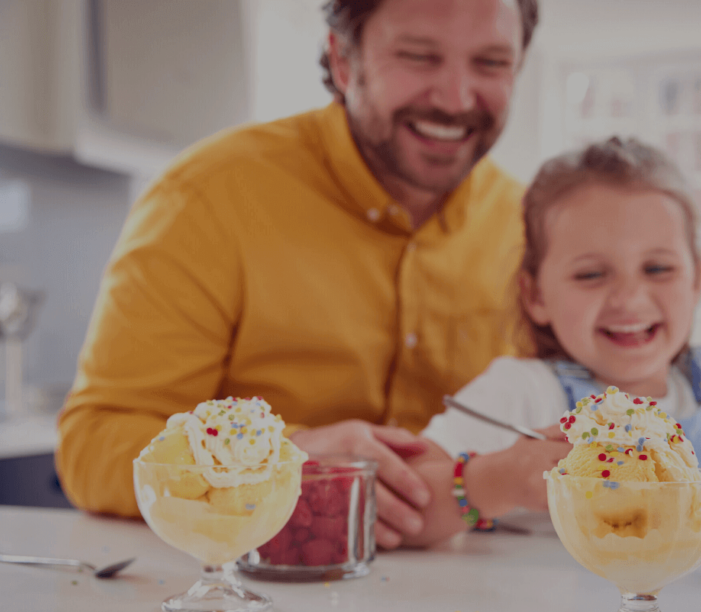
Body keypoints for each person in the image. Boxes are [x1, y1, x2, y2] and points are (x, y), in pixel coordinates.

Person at [55, 0, 542, 550]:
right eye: (418, 56)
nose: (456, 98)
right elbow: (92, 447)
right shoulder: (206, 198)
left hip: (470, 609)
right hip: (244, 608)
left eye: (492, 63)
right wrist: (277, 457)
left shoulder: (535, 232)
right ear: (343, 61)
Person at [400, 137, 701, 547]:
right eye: (591, 274)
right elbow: (402, 504)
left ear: (695, 280)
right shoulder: (524, 391)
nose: (628, 299)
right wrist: (498, 480)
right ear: (536, 296)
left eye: (658, 268)